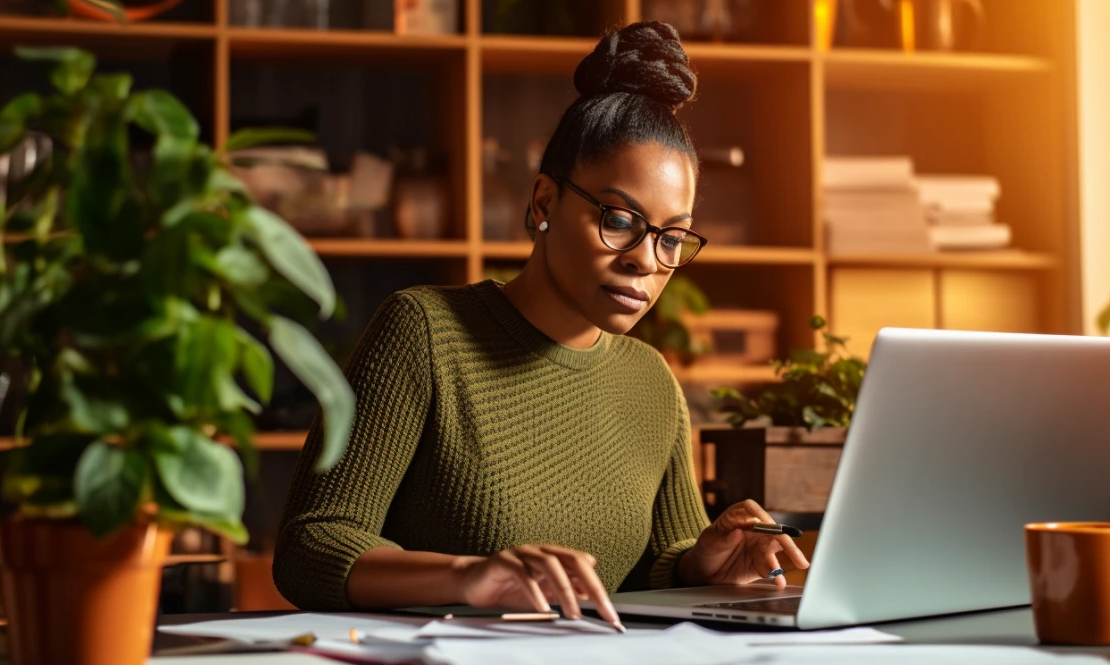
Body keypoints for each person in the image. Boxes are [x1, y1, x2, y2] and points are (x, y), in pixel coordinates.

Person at [274, 21, 809, 631]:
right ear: (544, 202)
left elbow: (656, 569)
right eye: (619, 220)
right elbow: (311, 546)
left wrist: (701, 565)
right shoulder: (425, 333)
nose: (645, 259)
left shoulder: (651, 382)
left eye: (671, 237)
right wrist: (468, 577)